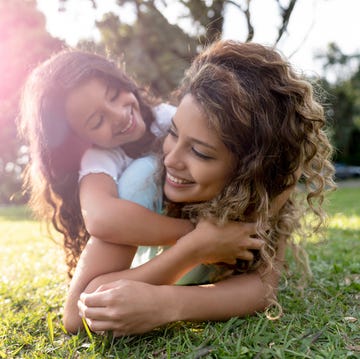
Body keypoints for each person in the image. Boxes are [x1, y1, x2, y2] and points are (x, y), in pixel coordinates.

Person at [68, 40, 335, 336]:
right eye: (172, 132)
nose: (170, 159)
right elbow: (79, 311)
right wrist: (196, 246)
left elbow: (261, 287)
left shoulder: (261, 192)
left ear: (249, 169)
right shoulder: (144, 179)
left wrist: (167, 304)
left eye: (201, 153)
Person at [18, 49, 261, 277]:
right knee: (143, 172)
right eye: (96, 121)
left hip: (213, 244)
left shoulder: (166, 117)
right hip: (156, 257)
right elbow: (101, 218)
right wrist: (197, 234)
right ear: (80, 140)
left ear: (123, 82)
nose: (119, 115)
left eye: (114, 95)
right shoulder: (101, 158)